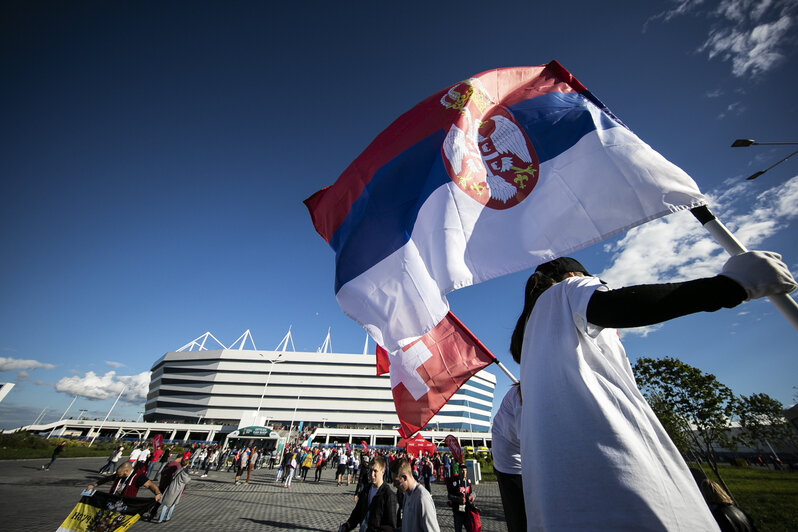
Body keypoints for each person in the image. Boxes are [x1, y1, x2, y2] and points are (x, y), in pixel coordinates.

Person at [512, 253, 796, 530]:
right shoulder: (566, 289)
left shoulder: (530, 334)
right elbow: (619, 306)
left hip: (558, 499)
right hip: (618, 473)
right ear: (573, 275)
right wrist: (731, 286)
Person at [491, 384, 525, 532]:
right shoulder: (521, 393)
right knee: (521, 520)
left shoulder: (521, 391)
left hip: (510, 463)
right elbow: (531, 438)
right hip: (512, 468)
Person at [340, 455, 398, 532]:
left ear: (383, 471)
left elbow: (391, 526)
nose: (372, 475)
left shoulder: (388, 495)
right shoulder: (366, 490)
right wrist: (346, 527)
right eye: (371, 471)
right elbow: (357, 513)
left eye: (375, 471)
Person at [390, 458, 440, 532]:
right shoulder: (407, 494)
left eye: (396, 482)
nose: (394, 485)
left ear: (404, 477)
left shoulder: (423, 498)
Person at [87, 461, 162, 500]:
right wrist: (94, 485)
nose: (118, 476)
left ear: (126, 472)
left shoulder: (138, 476)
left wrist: (157, 493)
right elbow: (108, 478)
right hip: (113, 499)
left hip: (125, 503)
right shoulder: (120, 475)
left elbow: (150, 485)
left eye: (119, 474)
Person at [446, 465, 478, 532]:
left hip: (467, 511)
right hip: (458, 511)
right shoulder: (455, 482)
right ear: (459, 471)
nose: (464, 472)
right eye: (462, 471)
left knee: (470, 529)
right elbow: (449, 496)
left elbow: (472, 493)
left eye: (465, 471)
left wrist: (472, 496)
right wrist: (458, 499)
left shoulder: (468, 482)